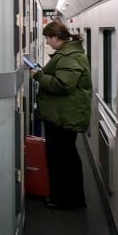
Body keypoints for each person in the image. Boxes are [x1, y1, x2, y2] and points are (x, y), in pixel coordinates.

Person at [30, 20, 91, 210]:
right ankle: (70, 198)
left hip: (64, 117)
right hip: (63, 114)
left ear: (56, 37)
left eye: (48, 38)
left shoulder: (70, 56)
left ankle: (66, 200)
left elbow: (63, 85)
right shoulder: (69, 54)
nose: (47, 42)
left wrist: (39, 76)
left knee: (62, 159)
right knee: (65, 157)